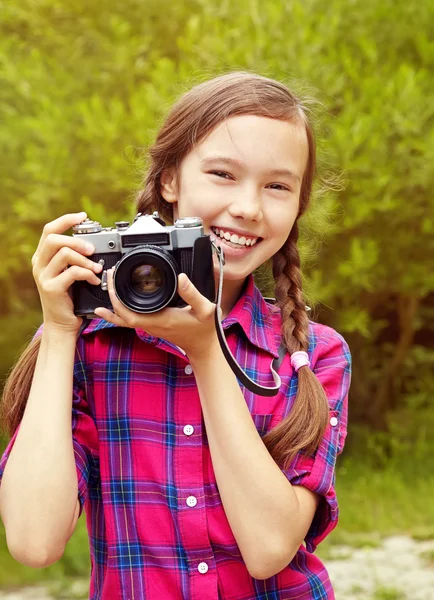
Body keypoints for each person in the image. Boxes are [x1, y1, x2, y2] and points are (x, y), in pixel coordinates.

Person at [0, 72, 351, 600]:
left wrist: (206, 352)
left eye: (277, 185)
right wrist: (57, 330)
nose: (249, 207)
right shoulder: (89, 342)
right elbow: (33, 541)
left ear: (299, 204)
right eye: (223, 175)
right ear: (170, 181)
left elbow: (269, 548)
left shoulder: (312, 354)